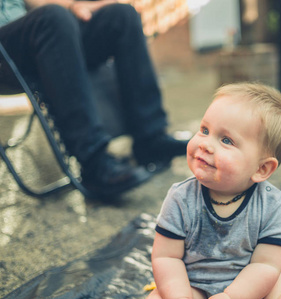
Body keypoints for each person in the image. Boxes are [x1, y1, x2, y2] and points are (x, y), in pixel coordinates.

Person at [0, 0, 187, 197]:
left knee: (121, 15)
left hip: (29, 32)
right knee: (52, 18)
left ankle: (151, 139)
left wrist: (73, 6)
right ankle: (93, 162)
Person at [148, 82, 281, 299]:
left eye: (226, 140)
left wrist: (231, 297)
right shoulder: (181, 197)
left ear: (261, 169)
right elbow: (166, 257)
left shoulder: (270, 204)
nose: (205, 144)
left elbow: (265, 265)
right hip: (193, 283)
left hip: (251, 288)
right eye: (204, 130)